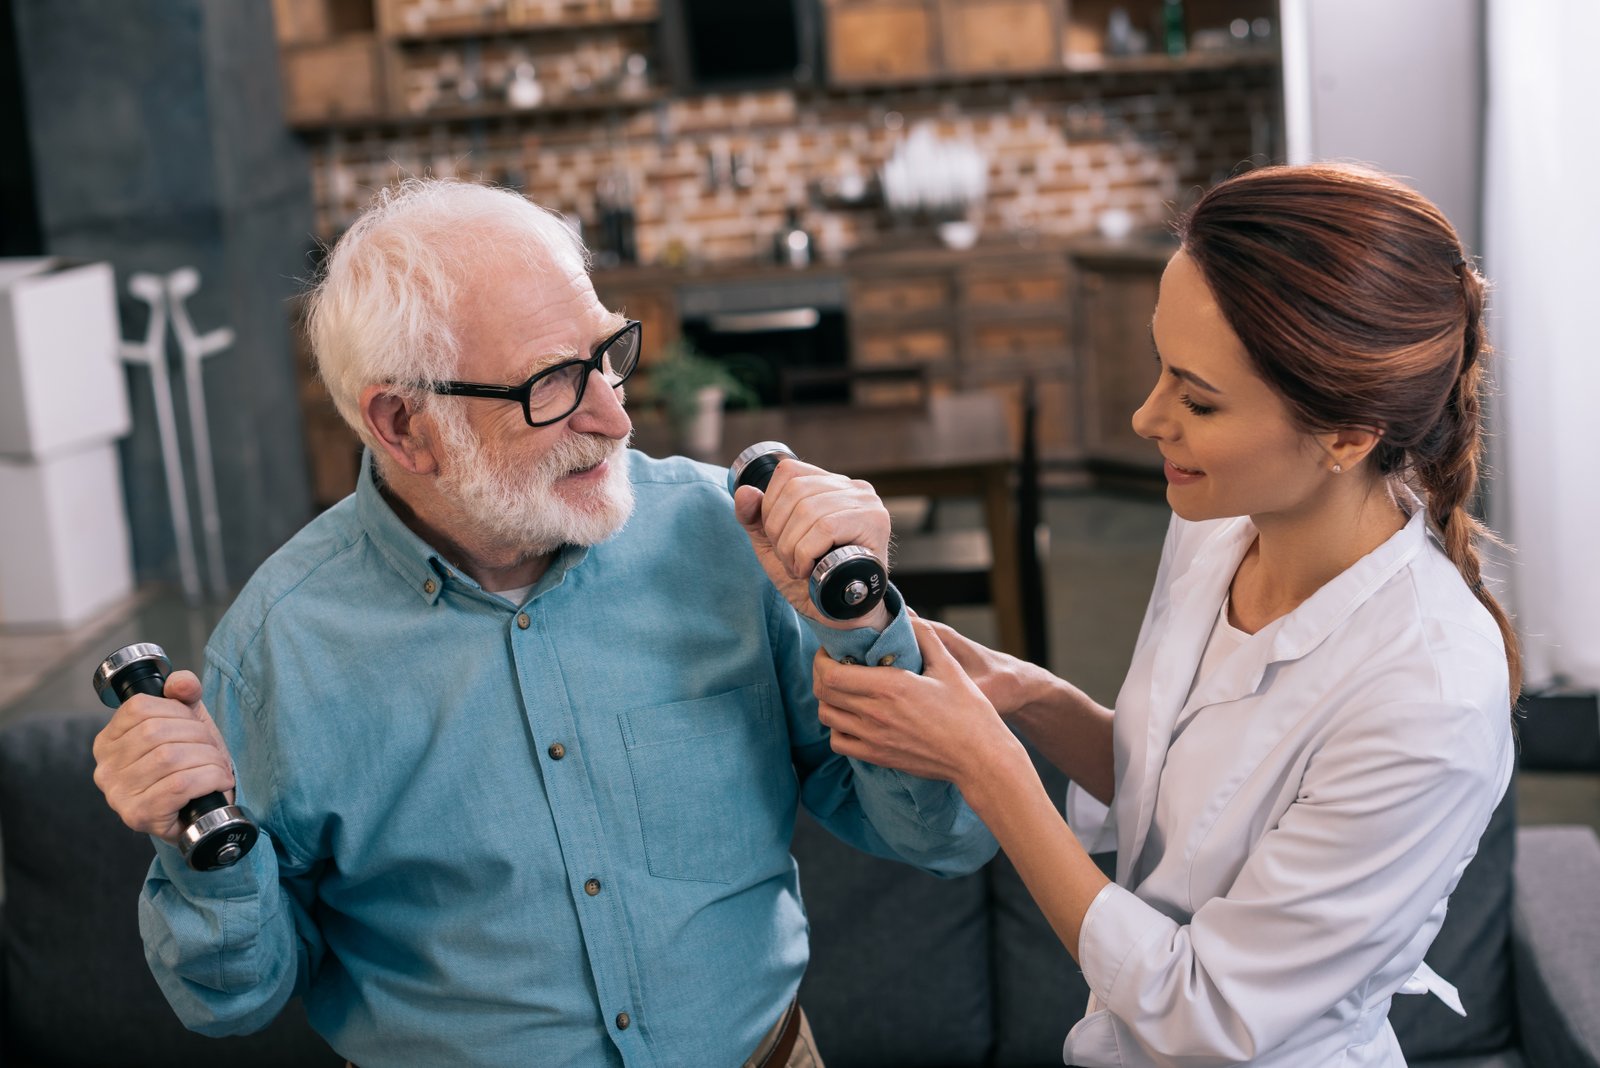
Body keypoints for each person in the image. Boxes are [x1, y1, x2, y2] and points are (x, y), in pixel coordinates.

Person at [90, 178, 997, 1068]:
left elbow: (944, 835)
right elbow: (233, 1000)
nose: (614, 414)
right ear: (404, 424)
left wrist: (866, 621)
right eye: (554, 384)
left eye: (606, 354)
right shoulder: (278, 651)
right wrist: (199, 853)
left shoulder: (728, 541)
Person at [809, 164, 1519, 1067]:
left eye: (1199, 399)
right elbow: (1183, 798)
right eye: (1160, 369)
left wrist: (988, 766)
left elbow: (1205, 1015)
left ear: (1346, 435)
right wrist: (1027, 697)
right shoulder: (1218, 528)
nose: (1148, 418)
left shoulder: (1432, 695)